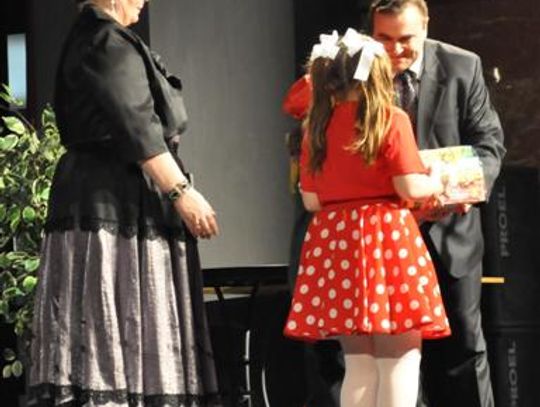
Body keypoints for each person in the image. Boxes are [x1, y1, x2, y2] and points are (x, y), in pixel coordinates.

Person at [27, 1, 222, 406]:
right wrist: (181, 192)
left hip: (112, 193)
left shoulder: (97, 36)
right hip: (114, 200)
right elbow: (137, 128)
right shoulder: (105, 40)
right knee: (115, 311)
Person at [284, 29, 451, 407]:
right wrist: (438, 179)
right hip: (385, 240)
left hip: (336, 243)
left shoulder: (317, 127)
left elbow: (311, 199)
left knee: (359, 364)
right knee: (400, 359)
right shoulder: (390, 119)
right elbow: (410, 186)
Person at [369, 1, 506, 406]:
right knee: (389, 359)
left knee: (462, 349)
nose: (395, 49)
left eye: (405, 39)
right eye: (384, 38)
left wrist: (454, 189)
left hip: (450, 234)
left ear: (426, 26)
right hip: (382, 238)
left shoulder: (462, 66)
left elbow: (489, 146)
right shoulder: (356, 73)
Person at [283, 76, 345, 407]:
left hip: (321, 242)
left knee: (333, 354)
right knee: (335, 355)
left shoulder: (314, 137)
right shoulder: (323, 137)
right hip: (330, 241)